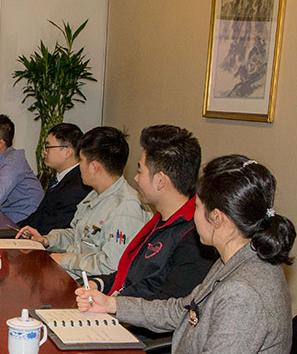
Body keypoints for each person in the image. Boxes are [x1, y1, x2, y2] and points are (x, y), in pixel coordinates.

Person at [75, 155, 296, 354]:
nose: (192, 215)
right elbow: (182, 311)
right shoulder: (238, 257)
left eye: (198, 206)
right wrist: (113, 305)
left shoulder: (243, 293)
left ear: (217, 218)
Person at [87, 125, 215, 300]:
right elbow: (133, 276)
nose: (136, 178)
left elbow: (167, 308)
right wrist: (98, 284)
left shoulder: (192, 239)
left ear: (160, 180)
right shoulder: (160, 219)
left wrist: (112, 305)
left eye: (140, 171)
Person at [17, 126, 151, 277]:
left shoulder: (126, 208)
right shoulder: (95, 194)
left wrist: (65, 260)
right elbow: (77, 234)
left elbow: (111, 265)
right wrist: (47, 240)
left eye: (81, 160)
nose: (79, 166)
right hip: (71, 274)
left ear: (94, 167)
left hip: (88, 284)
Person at [15, 123, 91, 234]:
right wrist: (15, 229)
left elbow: (55, 227)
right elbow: (40, 214)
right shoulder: (60, 177)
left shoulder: (78, 186)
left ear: (67, 152)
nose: (44, 151)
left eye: (48, 147)